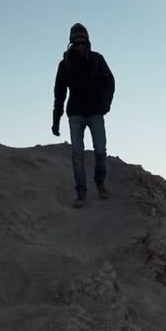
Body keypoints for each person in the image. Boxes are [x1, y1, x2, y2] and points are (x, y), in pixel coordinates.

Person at [52, 23, 115, 207]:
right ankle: (81, 193)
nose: (80, 45)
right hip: (76, 115)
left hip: (96, 112)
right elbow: (59, 94)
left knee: (101, 150)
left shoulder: (97, 59)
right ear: (71, 43)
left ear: (88, 41)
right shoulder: (65, 64)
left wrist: (105, 105)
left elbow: (109, 82)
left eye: (83, 41)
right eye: (77, 42)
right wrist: (56, 120)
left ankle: (100, 182)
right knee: (77, 154)